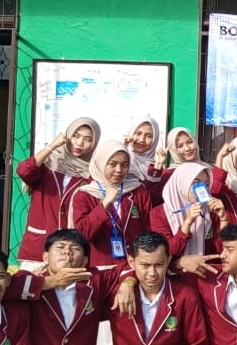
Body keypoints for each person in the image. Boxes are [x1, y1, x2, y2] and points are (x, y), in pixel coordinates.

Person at [15, 117, 100, 273]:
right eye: (75, 136)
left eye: (88, 139)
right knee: (33, 286)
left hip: (69, 253)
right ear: (67, 136)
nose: (80, 143)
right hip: (38, 246)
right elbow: (23, 170)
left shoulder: (92, 174)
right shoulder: (47, 165)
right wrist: (53, 146)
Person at [68, 140, 153, 270]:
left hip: (134, 266)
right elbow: (82, 235)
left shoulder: (138, 191)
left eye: (125, 165)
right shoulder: (84, 194)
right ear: (101, 163)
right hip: (101, 268)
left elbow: (149, 229)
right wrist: (104, 203)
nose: (119, 170)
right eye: (112, 164)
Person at [151, 161, 230, 258]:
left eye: (206, 184)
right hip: (176, 267)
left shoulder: (211, 209)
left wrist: (223, 218)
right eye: (196, 183)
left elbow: (223, 249)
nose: (201, 189)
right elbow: (166, 252)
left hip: (209, 266)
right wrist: (188, 222)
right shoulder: (158, 213)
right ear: (181, 183)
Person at [123, 115, 167, 192]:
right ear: (131, 133)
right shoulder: (121, 158)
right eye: (138, 133)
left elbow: (152, 194)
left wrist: (157, 166)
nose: (142, 140)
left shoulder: (156, 165)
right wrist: (122, 148)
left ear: (155, 139)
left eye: (149, 136)